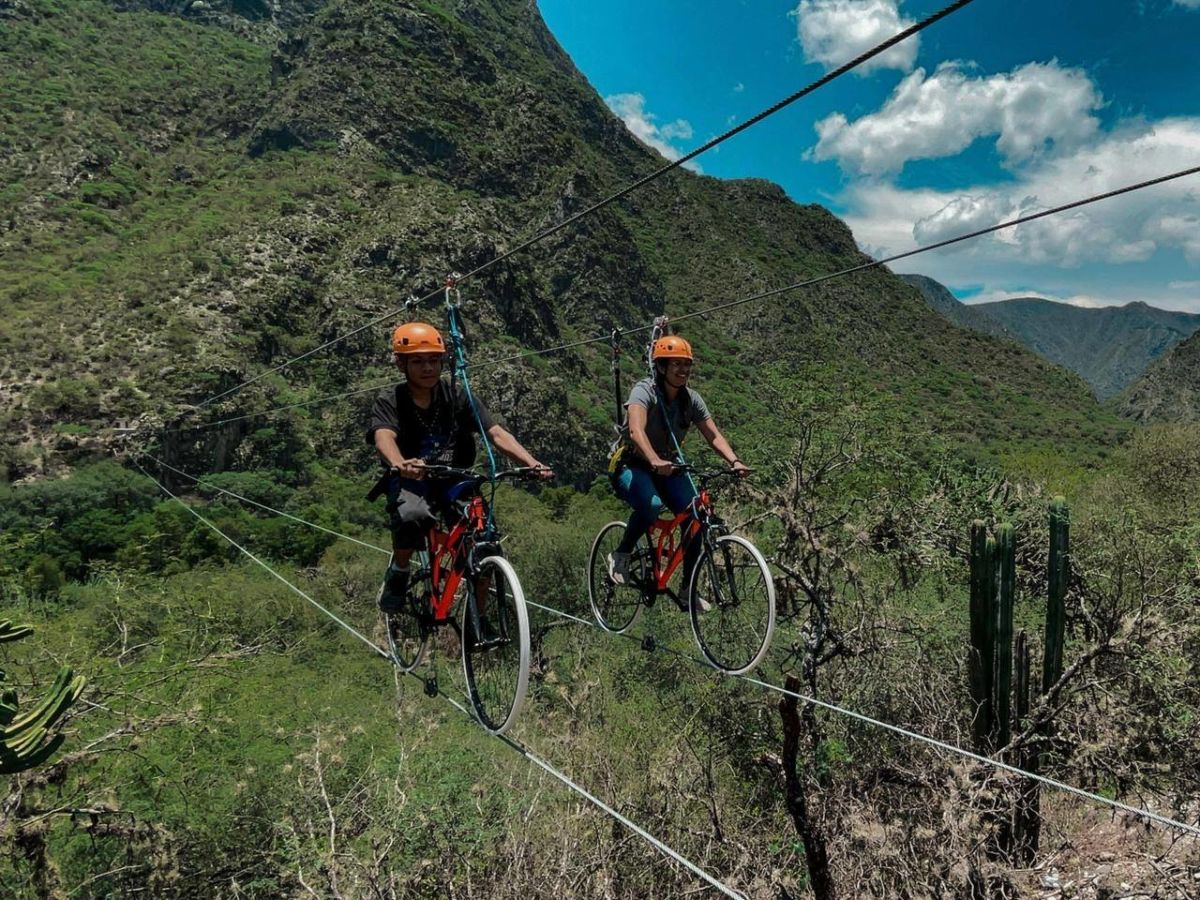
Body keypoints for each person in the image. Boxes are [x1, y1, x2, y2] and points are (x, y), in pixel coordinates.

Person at [368, 322, 552, 614]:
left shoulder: (458, 396)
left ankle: (477, 621)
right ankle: (399, 571)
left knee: (485, 542)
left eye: (434, 360)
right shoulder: (391, 400)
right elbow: (383, 437)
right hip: (412, 478)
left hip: (454, 478)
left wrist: (532, 463)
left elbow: (496, 433)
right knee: (412, 516)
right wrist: (400, 463)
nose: (428, 368)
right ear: (401, 364)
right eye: (418, 361)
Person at [607, 334, 749, 596]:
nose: (683, 370)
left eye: (687, 364)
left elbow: (713, 436)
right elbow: (636, 431)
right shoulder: (644, 391)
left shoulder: (691, 399)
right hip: (633, 464)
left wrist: (735, 461)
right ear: (661, 367)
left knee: (696, 515)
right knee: (651, 505)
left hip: (669, 466)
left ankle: (688, 589)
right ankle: (622, 553)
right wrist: (653, 459)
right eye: (676, 364)